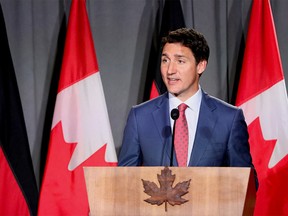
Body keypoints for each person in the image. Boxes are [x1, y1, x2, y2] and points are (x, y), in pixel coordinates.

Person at [118, 28, 255, 173]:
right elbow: (124, 181)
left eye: (180, 61)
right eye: (165, 60)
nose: (170, 70)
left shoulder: (228, 119)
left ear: (200, 65)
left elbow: (247, 183)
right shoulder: (140, 117)